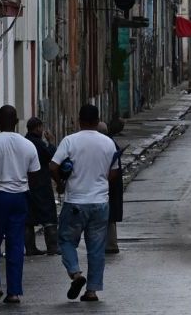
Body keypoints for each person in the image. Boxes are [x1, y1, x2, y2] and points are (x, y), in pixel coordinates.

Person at [51, 104, 120, 302]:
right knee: (96, 249)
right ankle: (92, 291)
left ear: (79, 120)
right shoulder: (108, 143)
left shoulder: (70, 141)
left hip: (75, 202)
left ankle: (75, 273)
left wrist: (61, 184)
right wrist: (101, 182)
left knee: (66, 240)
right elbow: (114, 172)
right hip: (100, 203)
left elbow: (53, 166)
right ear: (98, 121)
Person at [0, 105, 42, 304]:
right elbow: (34, 177)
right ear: (16, 123)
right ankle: (14, 292)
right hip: (18, 198)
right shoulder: (28, 146)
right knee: (15, 244)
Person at [23, 117, 58, 256]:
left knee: (29, 218)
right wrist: (51, 142)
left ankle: (30, 248)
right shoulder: (38, 143)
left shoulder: (24, 142)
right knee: (49, 216)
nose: (43, 130)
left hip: (26, 184)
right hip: (41, 183)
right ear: (37, 128)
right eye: (41, 127)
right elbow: (51, 157)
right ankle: (52, 247)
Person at [96, 122, 124, 255]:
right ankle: (109, 243)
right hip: (110, 185)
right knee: (108, 216)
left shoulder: (107, 145)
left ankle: (110, 244)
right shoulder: (109, 143)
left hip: (109, 186)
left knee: (108, 216)